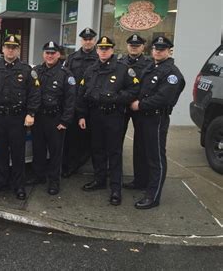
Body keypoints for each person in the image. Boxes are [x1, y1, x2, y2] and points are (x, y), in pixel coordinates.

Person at [77, 36, 139, 206]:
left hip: (113, 116)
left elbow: (134, 89)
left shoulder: (123, 69)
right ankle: (99, 180)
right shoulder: (91, 70)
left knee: (114, 153)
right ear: (97, 50)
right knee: (97, 150)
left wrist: (116, 98)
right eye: (101, 48)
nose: (103, 51)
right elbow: (81, 93)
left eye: (107, 48)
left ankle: (115, 189)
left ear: (112, 50)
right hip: (94, 116)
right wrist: (81, 115)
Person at [0, 35, 40, 200]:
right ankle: (1, 181)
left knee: (18, 153)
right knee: (0, 151)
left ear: (18, 50)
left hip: (17, 118)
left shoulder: (27, 70)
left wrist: (31, 113)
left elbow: (34, 94)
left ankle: (19, 186)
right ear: (3, 49)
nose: (10, 50)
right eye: (8, 47)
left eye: (14, 47)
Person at [130, 36, 185, 209]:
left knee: (155, 157)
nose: (158, 51)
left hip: (156, 118)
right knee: (140, 151)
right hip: (142, 117)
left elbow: (164, 98)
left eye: (162, 49)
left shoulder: (172, 74)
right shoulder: (151, 66)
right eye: (155, 49)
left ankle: (153, 196)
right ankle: (140, 181)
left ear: (169, 51)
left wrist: (141, 104)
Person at [29, 41, 76, 195]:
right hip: (39, 118)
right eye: (47, 53)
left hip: (55, 119)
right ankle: (39, 176)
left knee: (55, 153)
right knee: (38, 150)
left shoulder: (65, 74)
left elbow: (70, 100)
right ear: (43, 54)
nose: (49, 56)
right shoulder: (36, 71)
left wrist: (65, 121)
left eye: (53, 53)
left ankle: (54, 182)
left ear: (58, 55)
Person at [62, 27, 99, 177]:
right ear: (81, 40)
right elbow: (65, 78)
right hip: (75, 103)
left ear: (95, 40)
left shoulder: (100, 57)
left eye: (90, 39)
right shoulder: (72, 58)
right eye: (85, 39)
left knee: (93, 137)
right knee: (73, 137)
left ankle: (94, 167)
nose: (88, 41)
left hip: (93, 104)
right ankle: (72, 165)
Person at [119, 34, 153, 190]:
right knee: (115, 141)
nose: (134, 47)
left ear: (143, 47)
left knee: (141, 145)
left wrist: (139, 102)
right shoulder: (119, 62)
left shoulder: (149, 63)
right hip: (121, 106)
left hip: (138, 107)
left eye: (137, 45)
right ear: (127, 46)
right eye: (131, 45)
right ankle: (113, 174)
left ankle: (140, 180)